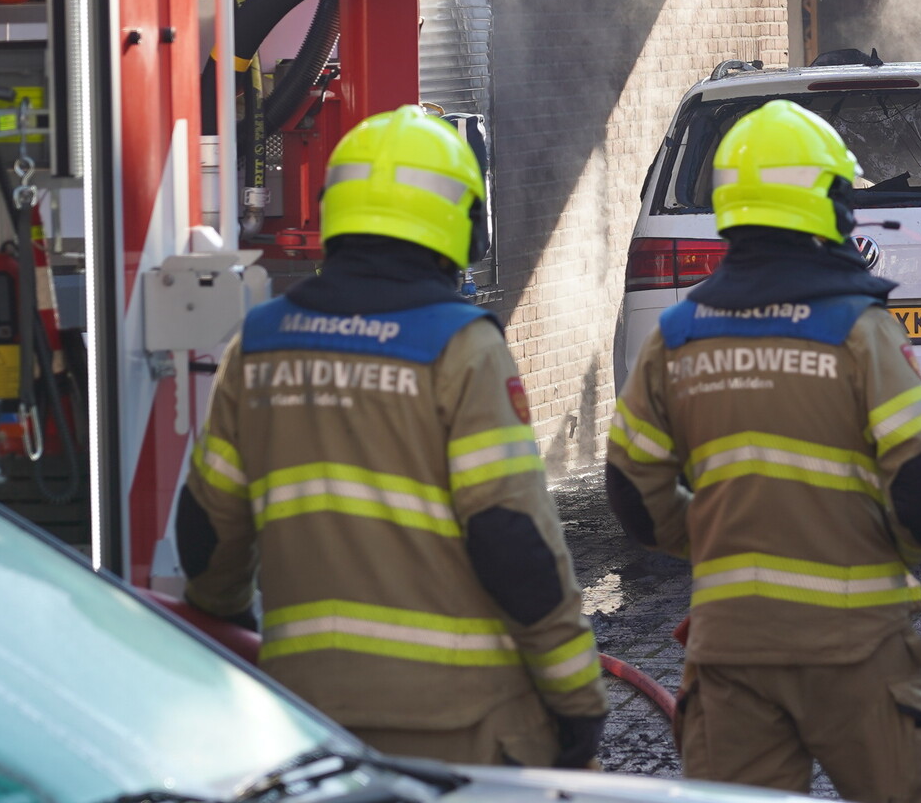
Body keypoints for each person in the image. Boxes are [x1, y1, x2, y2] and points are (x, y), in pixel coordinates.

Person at [179, 106, 608, 767]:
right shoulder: (461, 350)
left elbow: (209, 539)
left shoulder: (257, 346)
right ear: (464, 222)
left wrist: (227, 621)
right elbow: (513, 544)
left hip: (310, 724)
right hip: (459, 724)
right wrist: (576, 695)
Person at [607, 99, 921, 803]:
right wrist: (871, 550)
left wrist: (721, 537)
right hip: (858, 653)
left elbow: (630, 495)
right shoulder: (862, 334)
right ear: (825, 205)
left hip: (731, 656)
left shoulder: (676, 337)